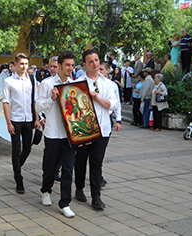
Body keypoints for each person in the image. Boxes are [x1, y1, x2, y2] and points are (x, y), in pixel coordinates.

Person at [74, 49, 118, 210]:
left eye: (97, 60)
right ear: (85, 64)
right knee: (80, 160)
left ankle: (96, 197)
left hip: (103, 129)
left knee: (96, 162)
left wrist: (97, 98)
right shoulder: (79, 83)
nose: (95, 64)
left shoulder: (108, 84)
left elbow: (113, 105)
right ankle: (79, 188)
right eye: (91, 61)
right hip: (84, 129)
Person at [35, 50, 77, 218]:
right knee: (50, 167)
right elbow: (38, 107)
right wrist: (51, 99)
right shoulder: (47, 84)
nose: (70, 68)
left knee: (68, 168)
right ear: (59, 65)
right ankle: (46, 190)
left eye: (73, 65)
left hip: (69, 134)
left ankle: (65, 203)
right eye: (67, 65)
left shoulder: (75, 84)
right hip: (52, 132)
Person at [2, 52, 40, 194]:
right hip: (15, 119)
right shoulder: (9, 82)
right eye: (21, 64)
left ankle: (16, 166)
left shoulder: (32, 79)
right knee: (16, 149)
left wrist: (37, 118)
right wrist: (8, 122)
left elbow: (35, 100)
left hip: (29, 119)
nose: (24, 66)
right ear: (15, 65)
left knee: (28, 149)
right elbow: (5, 102)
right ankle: (19, 178)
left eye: (26, 64)